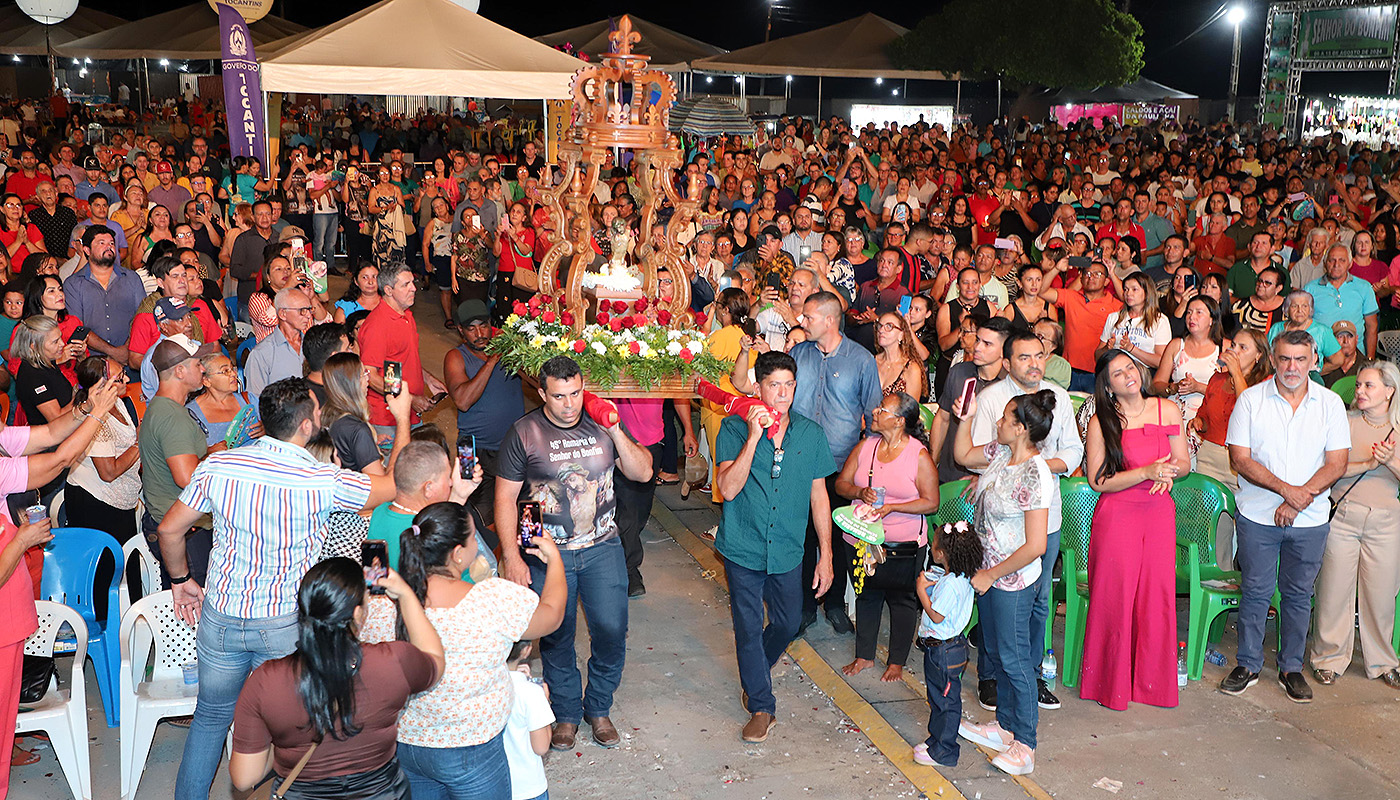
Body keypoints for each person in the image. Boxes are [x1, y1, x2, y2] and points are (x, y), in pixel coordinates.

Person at [158, 377, 399, 798]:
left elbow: (169, 529)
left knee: (211, 717)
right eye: (317, 413)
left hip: (221, 617)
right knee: (295, 723)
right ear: (306, 426)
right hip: (284, 623)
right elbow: (394, 486)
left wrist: (180, 580)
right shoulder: (322, 479)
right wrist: (401, 420)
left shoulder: (219, 465)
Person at [494, 356, 653, 751]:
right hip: (547, 555)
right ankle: (565, 713)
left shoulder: (602, 421)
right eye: (560, 396)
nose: (570, 404)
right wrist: (513, 557)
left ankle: (598, 707)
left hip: (602, 549)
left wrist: (616, 432)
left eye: (576, 393)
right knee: (557, 636)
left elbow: (643, 473)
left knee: (612, 631)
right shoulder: (525, 432)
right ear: (542, 393)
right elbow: (505, 499)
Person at [358, 501, 567, 797]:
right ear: (458, 555)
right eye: (473, 539)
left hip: (406, 745)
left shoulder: (382, 603)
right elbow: (552, 615)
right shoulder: (492, 599)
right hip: (471, 749)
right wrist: (555, 560)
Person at [228, 559, 445, 799]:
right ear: (357, 613)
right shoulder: (394, 661)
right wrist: (405, 594)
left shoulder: (265, 681)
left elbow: (244, 777)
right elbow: (435, 659)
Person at [1222, 330, 1349, 703]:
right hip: (1258, 515)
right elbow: (1240, 459)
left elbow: (1337, 463)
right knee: (1256, 592)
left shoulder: (1329, 404)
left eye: (1300, 359)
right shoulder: (1250, 400)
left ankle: (1291, 668)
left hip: (1309, 519)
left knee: (1297, 595)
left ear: (1313, 360)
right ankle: (1247, 664)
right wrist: (1285, 491)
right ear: (1273, 359)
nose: (1292, 367)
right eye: (1284, 359)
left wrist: (1298, 500)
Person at [715, 351, 836, 742]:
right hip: (743, 547)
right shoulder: (733, 429)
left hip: (787, 549)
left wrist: (827, 555)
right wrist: (753, 437)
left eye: (788, 385)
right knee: (748, 628)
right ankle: (762, 706)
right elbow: (728, 488)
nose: (781, 394)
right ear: (758, 387)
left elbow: (820, 496)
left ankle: (755, 673)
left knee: (786, 622)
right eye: (773, 385)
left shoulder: (810, 433)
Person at [967, 329, 1082, 711]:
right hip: (999, 522)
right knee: (991, 600)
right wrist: (1013, 469)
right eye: (1024, 357)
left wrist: (1032, 468)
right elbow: (975, 454)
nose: (1034, 364)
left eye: (1040, 356)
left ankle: (1030, 676)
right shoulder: (992, 400)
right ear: (1007, 362)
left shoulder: (1059, 397)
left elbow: (1073, 452)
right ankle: (990, 676)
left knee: (1038, 601)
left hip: (1043, 518)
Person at [951, 386, 1057, 776]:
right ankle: (1005, 726)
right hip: (990, 575)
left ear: (1020, 428)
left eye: (1004, 418)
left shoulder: (1035, 474)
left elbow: (1036, 546)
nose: (996, 422)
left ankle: (1025, 745)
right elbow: (962, 455)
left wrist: (991, 574)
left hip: (1011, 580)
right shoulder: (1000, 455)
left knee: (1015, 661)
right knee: (995, 653)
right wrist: (965, 417)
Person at [1079, 349, 1189, 711]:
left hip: (1158, 510)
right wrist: (1144, 473)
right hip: (1118, 513)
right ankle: (1109, 684)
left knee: (1157, 595)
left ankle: (1152, 684)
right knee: (1116, 595)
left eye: (1130, 366)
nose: (1127, 373)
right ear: (1107, 386)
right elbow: (1098, 481)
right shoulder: (1103, 421)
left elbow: (1183, 462)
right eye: (1116, 373)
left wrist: (1169, 473)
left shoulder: (1167, 410)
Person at [833, 391, 938, 682]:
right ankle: (864, 656)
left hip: (902, 544)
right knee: (866, 595)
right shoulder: (866, 447)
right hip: (862, 538)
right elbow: (841, 484)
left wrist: (893, 507)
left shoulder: (918, 455)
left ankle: (896, 662)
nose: (875, 413)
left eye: (883, 410)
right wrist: (858, 493)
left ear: (900, 421)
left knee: (902, 600)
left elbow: (931, 502)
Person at [1309, 363, 1400, 690]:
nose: (1359, 391)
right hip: (1343, 516)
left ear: (1389, 391)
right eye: (1359, 385)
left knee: (1381, 595)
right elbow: (1327, 469)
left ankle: (1384, 661)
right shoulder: (1343, 423)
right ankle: (1328, 658)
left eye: (1369, 386)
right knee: (1333, 590)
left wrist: (1389, 461)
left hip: (1386, 520)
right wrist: (1368, 463)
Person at [1190, 328, 1272, 565]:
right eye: (1233, 345)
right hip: (1211, 457)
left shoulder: (1266, 385)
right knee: (1213, 526)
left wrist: (1236, 373)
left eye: (1242, 348)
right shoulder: (1216, 379)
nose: (1234, 351)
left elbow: (1251, 413)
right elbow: (1205, 414)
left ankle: (1250, 579)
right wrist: (1199, 422)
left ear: (1258, 356)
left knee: (1249, 524)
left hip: (1245, 461)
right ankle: (1220, 579)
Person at [445, 299, 525, 527]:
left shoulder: (509, 349)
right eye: (471, 328)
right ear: (460, 330)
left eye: (484, 326)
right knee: (474, 517)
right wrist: (491, 362)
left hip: (509, 447)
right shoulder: (456, 357)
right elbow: (462, 401)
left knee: (514, 512)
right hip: (472, 448)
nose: (480, 333)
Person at [910, 521, 983, 769]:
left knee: (946, 702)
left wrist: (921, 589)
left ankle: (945, 751)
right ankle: (936, 740)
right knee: (939, 697)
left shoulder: (952, 584)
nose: (931, 548)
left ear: (941, 554)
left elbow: (937, 615)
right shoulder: (957, 575)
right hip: (948, 649)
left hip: (944, 652)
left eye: (933, 545)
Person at [359, 263, 448, 449]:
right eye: (406, 284)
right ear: (389, 290)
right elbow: (370, 375)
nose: (414, 288)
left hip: (409, 415)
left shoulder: (407, 315)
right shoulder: (377, 325)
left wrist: (427, 379)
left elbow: (403, 357)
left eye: (412, 282)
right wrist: (410, 399)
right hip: (388, 421)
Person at [63, 356, 140, 548]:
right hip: (96, 503)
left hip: (118, 498)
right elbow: (108, 473)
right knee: (106, 569)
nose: (128, 380)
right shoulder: (96, 419)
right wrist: (139, 444)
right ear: (102, 386)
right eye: (121, 377)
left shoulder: (117, 402)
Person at [1039, 260, 1123, 392]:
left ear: (1106, 281)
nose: (1091, 277)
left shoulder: (1115, 305)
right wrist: (1056, 268)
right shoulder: (1071, 297)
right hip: (1068, 369)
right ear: (1081, 279)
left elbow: (1131, 299)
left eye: (1097, 274)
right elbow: (1041, 291)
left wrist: (1112, 274)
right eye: (1087, 273)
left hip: (1098, 372)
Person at [1152, 296, 1224, 427]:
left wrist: (1198, 387)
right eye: (1189, 312)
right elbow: (1156, 384)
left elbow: (1227, 395)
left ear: (1212, 320)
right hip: (1174, 419)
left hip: (1208, 422)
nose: (1192, 317)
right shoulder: (1176, 345)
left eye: (1199, 312)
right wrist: (1172, 387)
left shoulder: (1223, 348)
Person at [1304, 243, 1379, 360]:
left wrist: (1369, 359)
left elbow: (1372, 326)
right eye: (1331, 260)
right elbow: (1303, 325)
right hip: (1321, 358)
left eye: (1342, 260)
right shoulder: (1310, 289)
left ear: (1350, 264)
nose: (1336, 265)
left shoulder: (1364, 287)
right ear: (1324, 263)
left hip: (1354, 358)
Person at [245, 287, 317, 399]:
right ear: (283, 314)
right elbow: (255, 399)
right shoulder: (262, 353)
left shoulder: (313, 345)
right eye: (302, 310)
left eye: (309, 309)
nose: (308, 315)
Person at [504, 640, 554, 800]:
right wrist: (544, 703)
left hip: (487, 783)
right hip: (526, 787)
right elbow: (541, 747)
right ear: (526, 650)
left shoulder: (478, 685)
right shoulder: (531, 693)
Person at [11, 315, 80, 424]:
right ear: (34, 347)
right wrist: (81, 397)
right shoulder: (32, 376)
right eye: (55, 342)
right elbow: (56, 419)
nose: (62, 344)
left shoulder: (47, 363)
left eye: (61, 338)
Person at [1096, 271, 1171, 369]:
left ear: (1147, 292)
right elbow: (1097, 356)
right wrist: (1107, 348)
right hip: (1116, 371)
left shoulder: (1160, 320)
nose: (1128, 293)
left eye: (1134, 289)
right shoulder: (1113, 317)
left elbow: (1161, 362)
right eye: (1126, 289)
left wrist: (1131, 349)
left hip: (1145, 374)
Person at [186, 352, 260, 449]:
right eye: (225, 371)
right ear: (206, 381)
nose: (234, 374)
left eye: (233, 368)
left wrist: (266, 430)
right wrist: (206, 453)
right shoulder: (191, 414)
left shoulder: (249, 400)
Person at [1232, 265, 1286, 333]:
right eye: (1259, 281)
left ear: (1278, 288)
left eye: (1267, 283)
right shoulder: (1240, 306)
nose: (1261, 285)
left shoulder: (1287, 309)